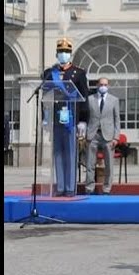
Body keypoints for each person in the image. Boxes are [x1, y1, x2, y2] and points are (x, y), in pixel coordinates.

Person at [42, 37, 90, 197]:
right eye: (61, 51)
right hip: (55, 118)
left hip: (71, 119)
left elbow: (84, 97)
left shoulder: (79, 73)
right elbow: (45, 96)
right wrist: (45, 117)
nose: (63, 54)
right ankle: (60, 186)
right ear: (56, 54)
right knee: (57, 153)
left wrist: (83, 120)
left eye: (66, 51)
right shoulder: (50, 73)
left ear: (70, 54)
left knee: (70, 153)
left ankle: (70, 187)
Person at [83, 77, 120, 194]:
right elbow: (86, 117)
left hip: (108, 136)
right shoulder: (90, 99)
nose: (103, 86)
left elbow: (117, 119)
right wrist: (84, 134)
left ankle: (107, 189)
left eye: (105, 84)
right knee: (90, 164)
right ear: (97, 85)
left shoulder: (114, 100)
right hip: (93, 135)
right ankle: (89, 188)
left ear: (108, 86)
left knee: (109, 165)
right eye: (101, 84)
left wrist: (116, 137)